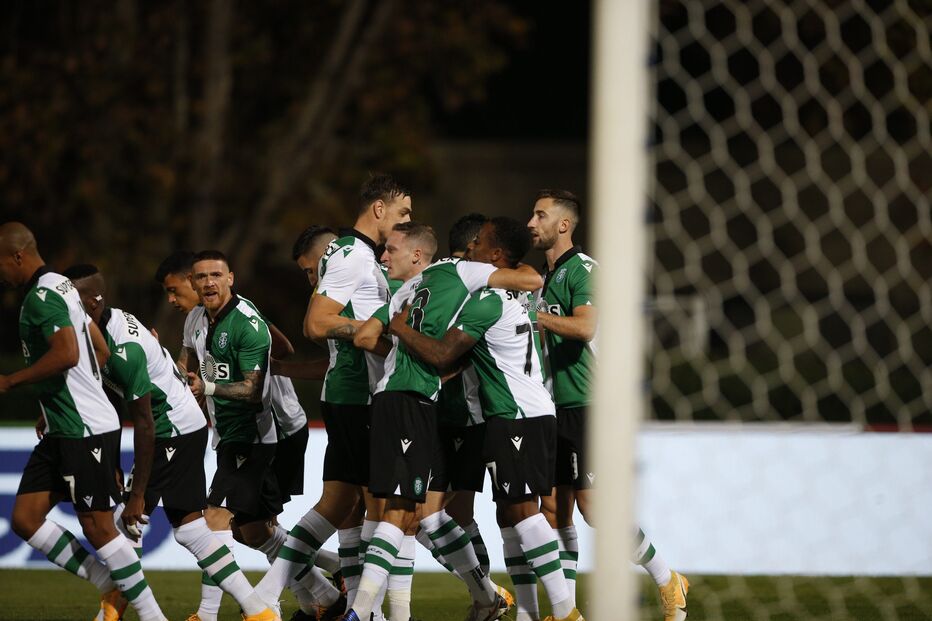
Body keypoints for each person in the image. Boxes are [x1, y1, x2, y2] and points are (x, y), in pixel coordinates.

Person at [346, 221, 545, 621]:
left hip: (428, 410)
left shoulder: (422, 284)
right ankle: (486, 597)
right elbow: (532, 279)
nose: (384, 257)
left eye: (391, 250)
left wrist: (401, 351)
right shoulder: (449, 276)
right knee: (416, 516)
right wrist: (425, 359)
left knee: (417, 514)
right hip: (429, 408)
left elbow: (365, 336)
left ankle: (489, 599)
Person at [388, 216, 584, 621]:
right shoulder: (517, 297)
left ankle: (567, 613)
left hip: (514, 416)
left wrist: (401, 329)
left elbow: (444, 355)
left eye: (479, 244)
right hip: (532, 411)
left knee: (525, 514)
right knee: (512, 515)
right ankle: (528, 613)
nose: (470, 248)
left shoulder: (484, 301)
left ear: (495, 256)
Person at [64, 264, 278, 621]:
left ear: (92, 302)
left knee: (126, 524)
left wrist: (137, 495)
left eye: (68, 301)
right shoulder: (101, 329)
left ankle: (115, 614)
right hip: (183, 426)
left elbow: (145, 424)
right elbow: (112, 404)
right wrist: (116, 463)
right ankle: (260, 614)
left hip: (173, 429)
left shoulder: (123, 348)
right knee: (192, 530)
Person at [255, 174, 413, 618]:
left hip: (351, 394)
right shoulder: (350, 255)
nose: (406, 222)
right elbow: (317, 323)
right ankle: (380, 613)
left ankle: (265, 598)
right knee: (389, 509)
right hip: (358, 397)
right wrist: (371, 335)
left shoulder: (365, 257)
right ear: (378, 210)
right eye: (402, 213)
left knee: (340, 504)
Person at [155, 250, 343, 620]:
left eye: (173, 290)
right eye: (200, 277)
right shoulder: (196, 320)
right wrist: (159, 361)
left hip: (265, 433)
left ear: (229, 278)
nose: (173, 299)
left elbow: (252, 389)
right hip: (232, 433)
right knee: (253, 531)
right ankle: (328, 593)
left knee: (217, 519)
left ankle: (218, 613)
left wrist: (209, 387)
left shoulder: (246, 321)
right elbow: (187, 366)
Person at [528, 190, 688, 621]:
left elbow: (585, 326)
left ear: (564, 225)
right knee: (554, 510)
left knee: (593, 508)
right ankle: (567, 611)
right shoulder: (540, 278)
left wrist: (536, 316)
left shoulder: (582, 270)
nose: (531, 222)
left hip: (588, 404)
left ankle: (666, 577)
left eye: (540, 215)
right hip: (553, 405)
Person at [0, 222, 168, 621]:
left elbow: (68, 353)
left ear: (17, 257)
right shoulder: (60, 283)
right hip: (65, 425)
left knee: (98, 528)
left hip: (83, 428)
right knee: (25, 519)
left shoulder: (42, 297)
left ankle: (153, 617)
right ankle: (108, 582)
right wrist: (56, 400)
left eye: (1, 264)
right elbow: (100, 348)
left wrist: (11, 381)